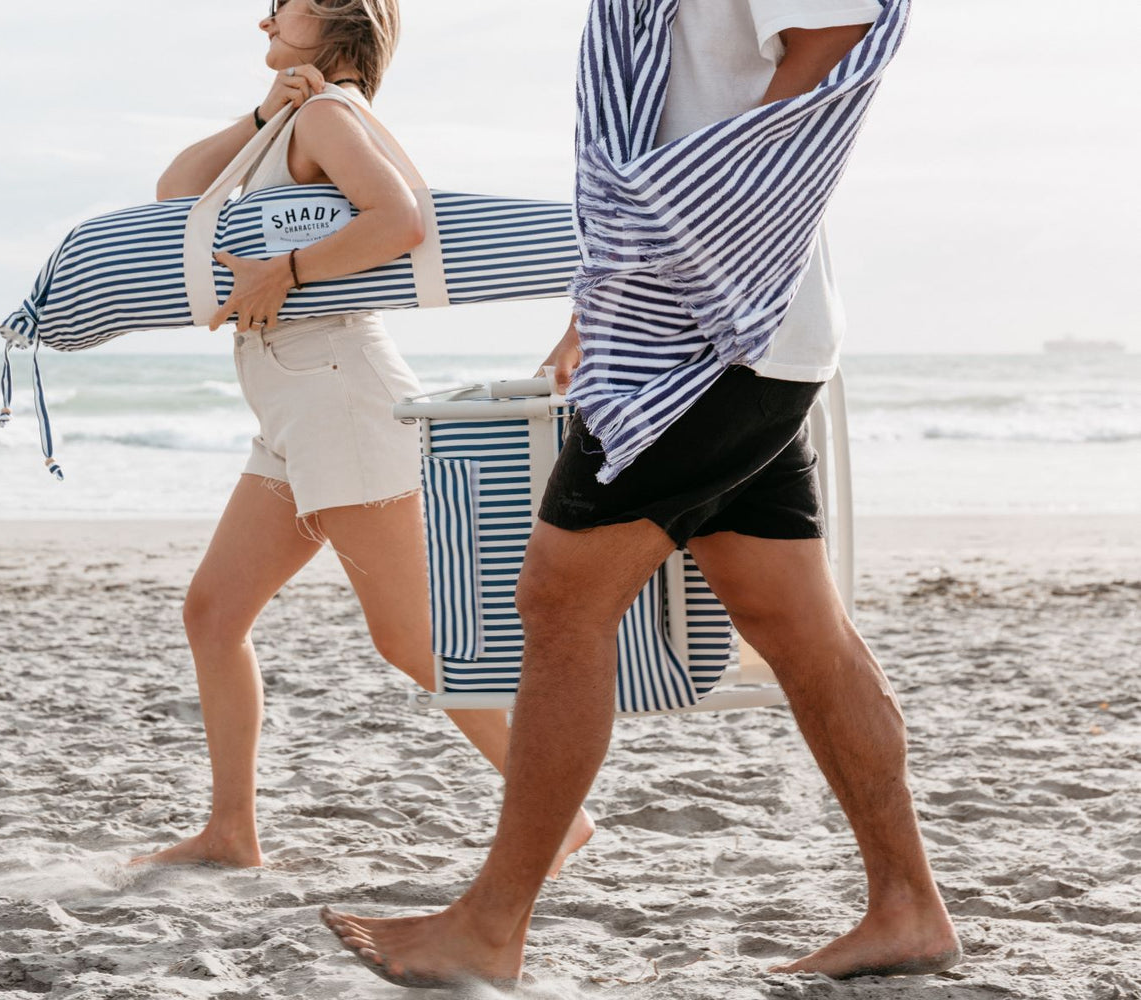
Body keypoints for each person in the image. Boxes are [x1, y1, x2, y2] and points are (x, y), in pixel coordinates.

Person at [322, 0, 962, 986]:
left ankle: (490, 927)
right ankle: (909, 908)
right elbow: (664, 121)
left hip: (716, 337)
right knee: (795, 621)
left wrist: (697, 228)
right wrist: (607, 298)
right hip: (707, 330)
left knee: (561, 597)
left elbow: (835, 34)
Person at [131, 0, 594, 874]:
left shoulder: (333, 114)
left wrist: (291, 268)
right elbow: (173, 193)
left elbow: (400, 221)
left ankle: (559, 815)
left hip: (337, 391)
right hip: (296, 403)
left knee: (413, 639)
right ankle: (232, 833)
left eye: (287, 4)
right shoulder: (296, 118)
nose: (264, 16)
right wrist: (265, 111)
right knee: (213, 613)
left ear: (339, 18)